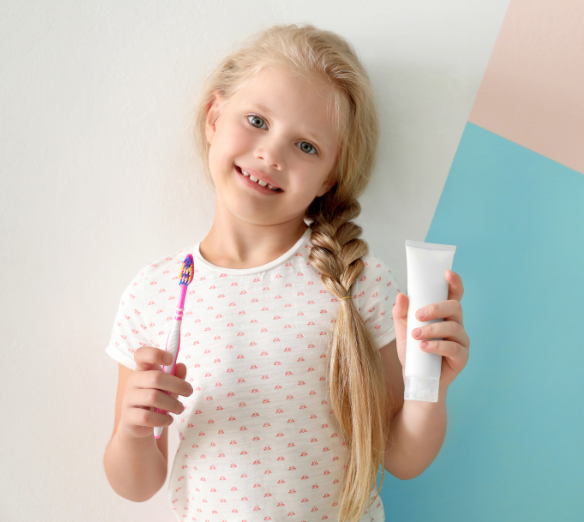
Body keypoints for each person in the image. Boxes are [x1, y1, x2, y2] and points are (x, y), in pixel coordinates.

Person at [103, 23, 470, 522]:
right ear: (214, 117)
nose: (270, 154)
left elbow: (401, 459)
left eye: (306, 147)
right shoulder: (155, 292)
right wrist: (132, 430)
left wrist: (432, 390)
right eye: (256, 120)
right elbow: (137, 483)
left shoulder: (358, 283)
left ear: (330, 177)